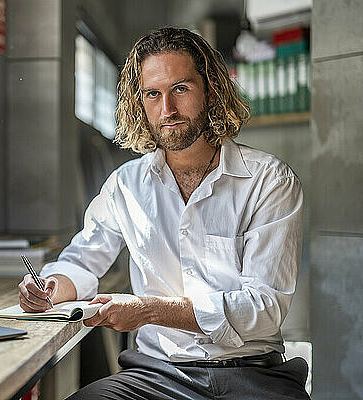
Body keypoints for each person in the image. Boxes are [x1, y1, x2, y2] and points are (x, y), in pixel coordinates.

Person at [18, 27, 310, 400]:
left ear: (211, 90)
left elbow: (264, 309)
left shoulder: (270, 181)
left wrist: (149, 311)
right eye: (153, 94)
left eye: (181, 89)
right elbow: (82, 260)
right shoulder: (125, 185)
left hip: (253, 375)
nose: (167, 110)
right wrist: (51, 287)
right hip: (157, 375)